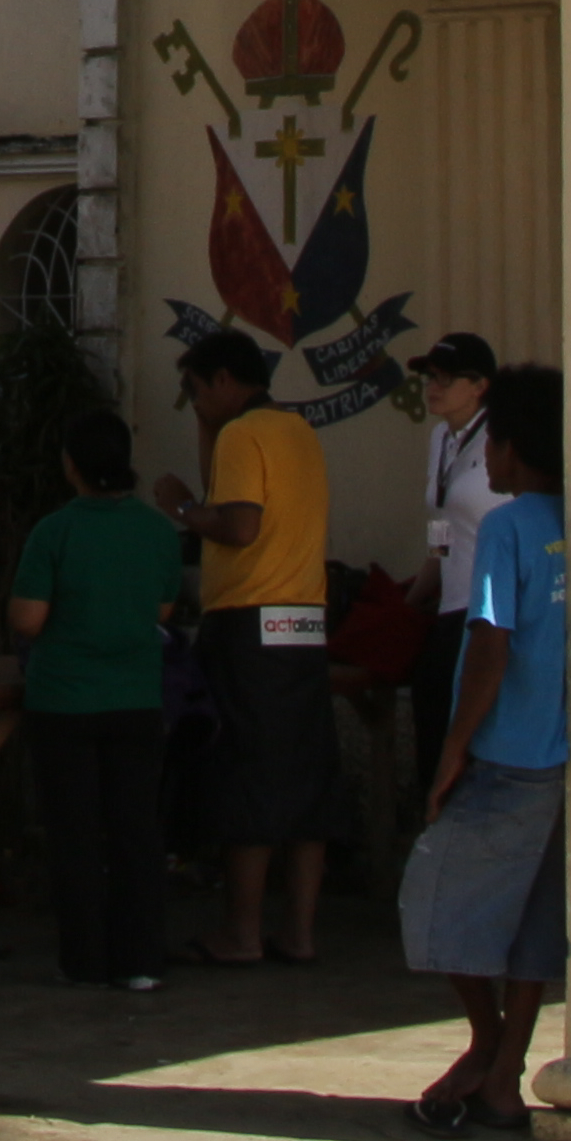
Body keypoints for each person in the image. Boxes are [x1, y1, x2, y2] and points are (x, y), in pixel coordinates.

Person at [394, 362, 567, 1137]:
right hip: (563, 755)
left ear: (511, 448)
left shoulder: (506, 527)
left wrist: (451, 752)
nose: (485, 458)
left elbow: (490, 642)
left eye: (492, 441)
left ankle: (490, 1049)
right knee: (532, 925)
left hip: (504, 754)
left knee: (438, 903)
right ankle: (502, 1076)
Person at [153, 328, 347, 964]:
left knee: (247, 780)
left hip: (248, 623)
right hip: (304, 621)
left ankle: (240, 933)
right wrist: (209, 434)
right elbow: (232, 491)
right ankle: (301, 932)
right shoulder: (295, 432)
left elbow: (237, 522)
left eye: (194, 390)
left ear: (223, 381)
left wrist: (180, 508)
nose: (193, 403)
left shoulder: (243, 434)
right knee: (305, 780)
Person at [8, 403, 190, 990]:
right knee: (137, 829)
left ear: (71, 465)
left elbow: (29, 619)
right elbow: (163, 609)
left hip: (63, 700)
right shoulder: (157, 531)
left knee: (75, 833)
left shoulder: (54, 531)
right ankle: (141, 960)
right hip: (136, 697)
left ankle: (83, 958)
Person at [403, 334, 499, 790]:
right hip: (450, 605)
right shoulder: (440, 436)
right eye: (429, 377)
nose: (433, 387)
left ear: (479, 385)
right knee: (432, 713)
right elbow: (441, 519)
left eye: (445, 377)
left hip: (490, 608)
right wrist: (425, 582)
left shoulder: (501, 435)